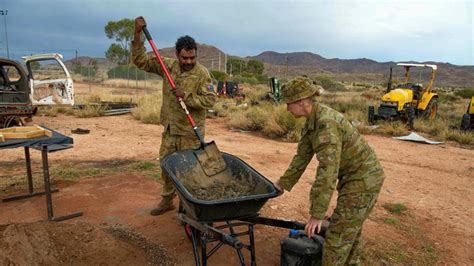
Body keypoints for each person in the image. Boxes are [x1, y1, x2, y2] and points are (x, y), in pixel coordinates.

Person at [275, 76, 385, 265]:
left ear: (301, 102)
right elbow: (301, 158)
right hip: (356, 178)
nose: (287, 108)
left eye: (289, 103)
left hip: (363, 180)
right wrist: (281, 184)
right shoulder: (313, 121)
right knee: (349, 230)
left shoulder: (326, 124)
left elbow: (328, 172)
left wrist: (317, 214)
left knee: (337, 238)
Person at [132, 16, 217, 216]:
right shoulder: (167, 66)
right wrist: (137, 34)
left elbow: (210, 100)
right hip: (170, 130)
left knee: (191, 172)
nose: (189, 62)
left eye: (192, 58)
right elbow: (140, 60)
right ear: (177, 54)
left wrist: (186, 96)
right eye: (185, 58)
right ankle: (167, 200)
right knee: (167, 166)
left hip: (190, 133)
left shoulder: (203, 74)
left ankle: (191, 208)